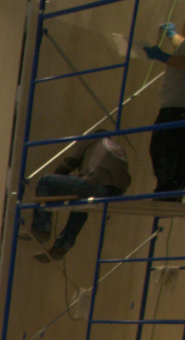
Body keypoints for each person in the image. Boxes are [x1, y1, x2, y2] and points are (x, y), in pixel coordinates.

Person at [28, 134, 130, 263]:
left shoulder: (90, 140)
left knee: (45, 181)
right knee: (80, 207)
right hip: (116, 193)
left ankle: (41, 229)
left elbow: (68, 164)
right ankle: (61, 247)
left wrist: (57, 187)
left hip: (96, 185)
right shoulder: (114, 147)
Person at [145, 27, 185, 200]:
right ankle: (174, 191)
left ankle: (168, 192)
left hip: (176, 110)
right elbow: (180, 42)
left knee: (163, 150)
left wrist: (162, 56)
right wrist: (171, 33)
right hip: (176, 109)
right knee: (176, 151)